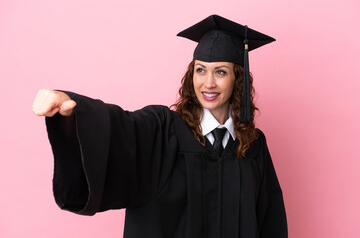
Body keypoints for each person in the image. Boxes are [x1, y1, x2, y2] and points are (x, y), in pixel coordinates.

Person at [32, 15, 287, 238]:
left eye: (220, 72)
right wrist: (74, 108)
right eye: (200, 70)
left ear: (237, 79)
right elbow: (123, 127)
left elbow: (269, 221)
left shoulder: (253, 145)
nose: (208, 83)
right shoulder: (164, 130)